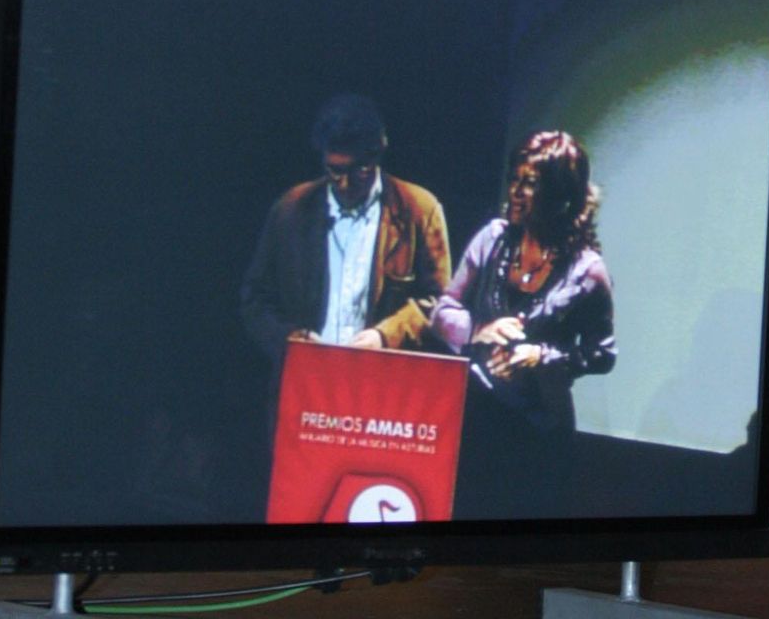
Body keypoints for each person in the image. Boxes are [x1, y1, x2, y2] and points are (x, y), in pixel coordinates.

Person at [431, 130, 615, 517]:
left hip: (539, 432)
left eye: (529, 184)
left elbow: (603, 354)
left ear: (560, 194)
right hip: (475, 422)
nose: (515, 191)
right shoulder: (492, 239)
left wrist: (542, 355)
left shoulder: (587, 272)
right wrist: (477, 331)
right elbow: (444, 309)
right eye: (514, 180)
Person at [240, 93, 450, 377]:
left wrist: (385, 337)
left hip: (383, 383)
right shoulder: (290, 209)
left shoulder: (419, 210)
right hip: (306, 379)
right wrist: (288, 339)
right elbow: (255, 298)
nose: (345, 184)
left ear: (378, 152)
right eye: (334, 171)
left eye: (359, 171)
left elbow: (439, 301)